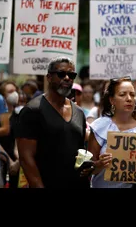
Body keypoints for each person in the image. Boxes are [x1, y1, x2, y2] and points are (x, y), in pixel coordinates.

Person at [15, 56, 90, 188]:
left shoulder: (79, 112)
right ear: (49, 77)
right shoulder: (33, 110)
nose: (67, 78)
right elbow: (26, 159)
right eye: (61, 74)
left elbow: (80, 152)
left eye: (71, 75)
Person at [87, 76, 136, 188]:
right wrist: (99, 164)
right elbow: (88, 169)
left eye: (132, 95)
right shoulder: (100, 127)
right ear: (112, 100)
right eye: (122, 95)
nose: (129, 99)